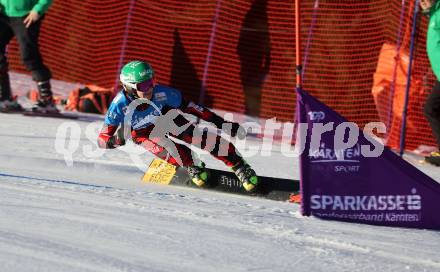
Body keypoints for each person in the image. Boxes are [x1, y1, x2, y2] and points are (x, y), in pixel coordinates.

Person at [97, 61, 259, 192]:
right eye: (143, 86)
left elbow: (194, 108)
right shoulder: (118, 106)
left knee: (198, 137)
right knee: (173, 153)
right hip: (143, 134)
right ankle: (192, 164)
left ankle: (239, 165)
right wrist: (116, 141)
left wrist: (222, 123)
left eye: (151, 82)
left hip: (165, 119)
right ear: (129, 87)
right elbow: (102, 140)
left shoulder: (163, 93)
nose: (150, 89)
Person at [0, 0, 56, 113]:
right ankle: (5, 98)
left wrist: (38, 9)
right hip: (3, 15)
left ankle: (47, 101)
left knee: (29, 55)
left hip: (26, 15)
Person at [421, 0, 440, 166]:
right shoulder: (435, 13)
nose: (423, 1)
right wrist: (428, 12)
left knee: (431, 109)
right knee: (432, 109)